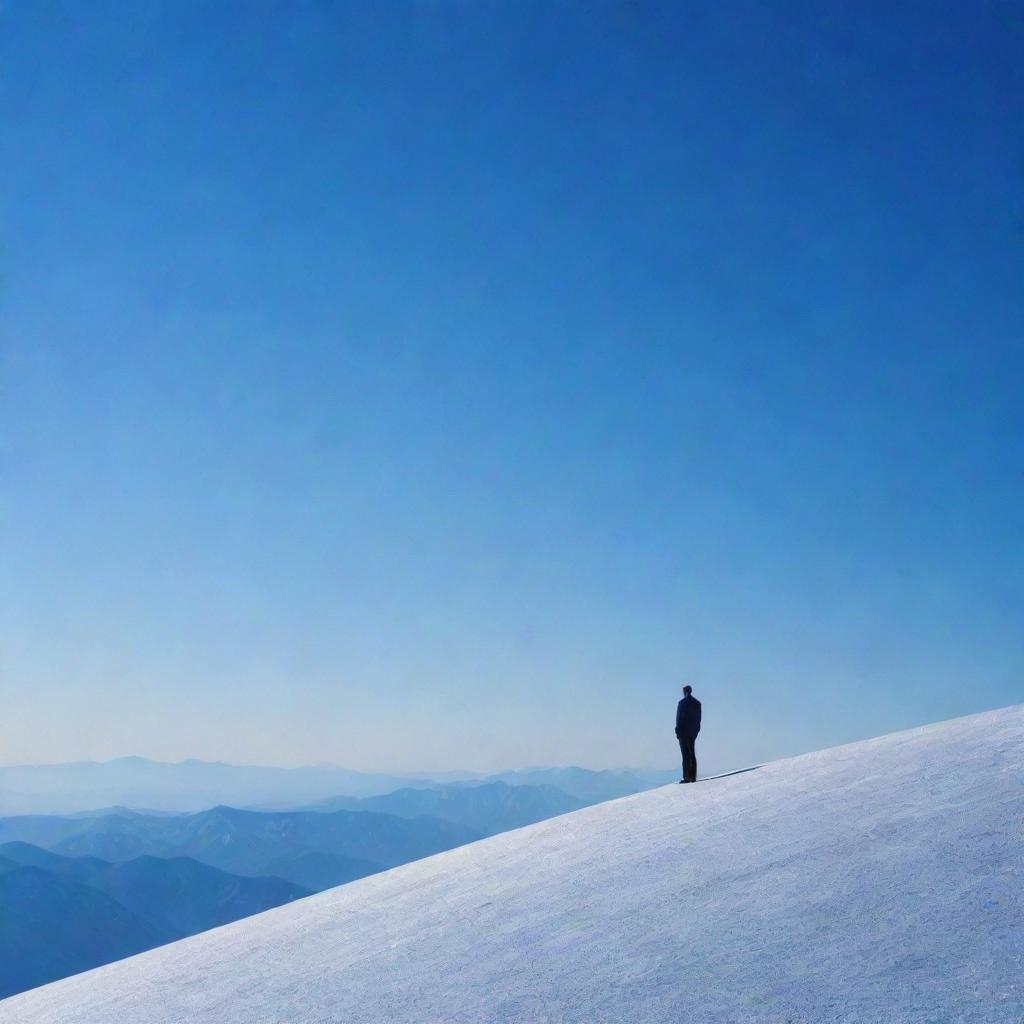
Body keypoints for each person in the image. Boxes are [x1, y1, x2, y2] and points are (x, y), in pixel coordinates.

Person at [675, 685, 701, 783]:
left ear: (685, 691)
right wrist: (696, 731)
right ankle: (693, 777)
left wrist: (677, 732)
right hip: (692, 733)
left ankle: (686, 777)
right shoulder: (697, 703)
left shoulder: (681, 703)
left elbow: (678, 719)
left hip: (683, 733)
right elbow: (699, 720)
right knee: (692, 754)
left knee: (685, 755)